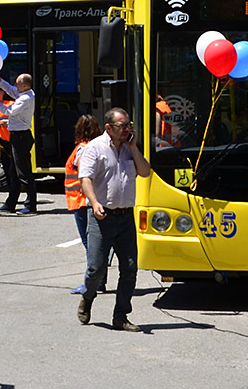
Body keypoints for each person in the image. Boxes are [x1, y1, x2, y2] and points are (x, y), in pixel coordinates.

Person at [76, 107, 151, 332]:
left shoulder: (129, 149)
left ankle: (121, 316)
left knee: (129, 268)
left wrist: (133, 147)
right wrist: (95, 202)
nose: (127, 129)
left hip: (126, 216)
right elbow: (85, 178)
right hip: (102, 216)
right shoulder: (94, 148)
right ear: (109, 128)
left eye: (129, 125)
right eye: (122, 126)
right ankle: (87, 297)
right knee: (96, 268)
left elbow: (145, 172)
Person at [66, 113, 103, 294]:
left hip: (81, 201)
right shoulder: (98, 147)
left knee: (89, 244)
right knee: (96, 243)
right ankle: (99, 280)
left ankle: (92, 283)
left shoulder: (82, 149)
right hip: (89, 200)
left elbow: (84, 175)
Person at [0, 73, 37, 214]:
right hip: (16, 136)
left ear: (25, 86)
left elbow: (9, 111)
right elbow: (11, 90)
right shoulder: (23, 93)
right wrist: (0, 80)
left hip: (21, 137)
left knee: (23, 172)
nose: (16, 85)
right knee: (13, 171)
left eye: (18, 83)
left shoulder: (25, 98)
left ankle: (31, 205)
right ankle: (11, 203)